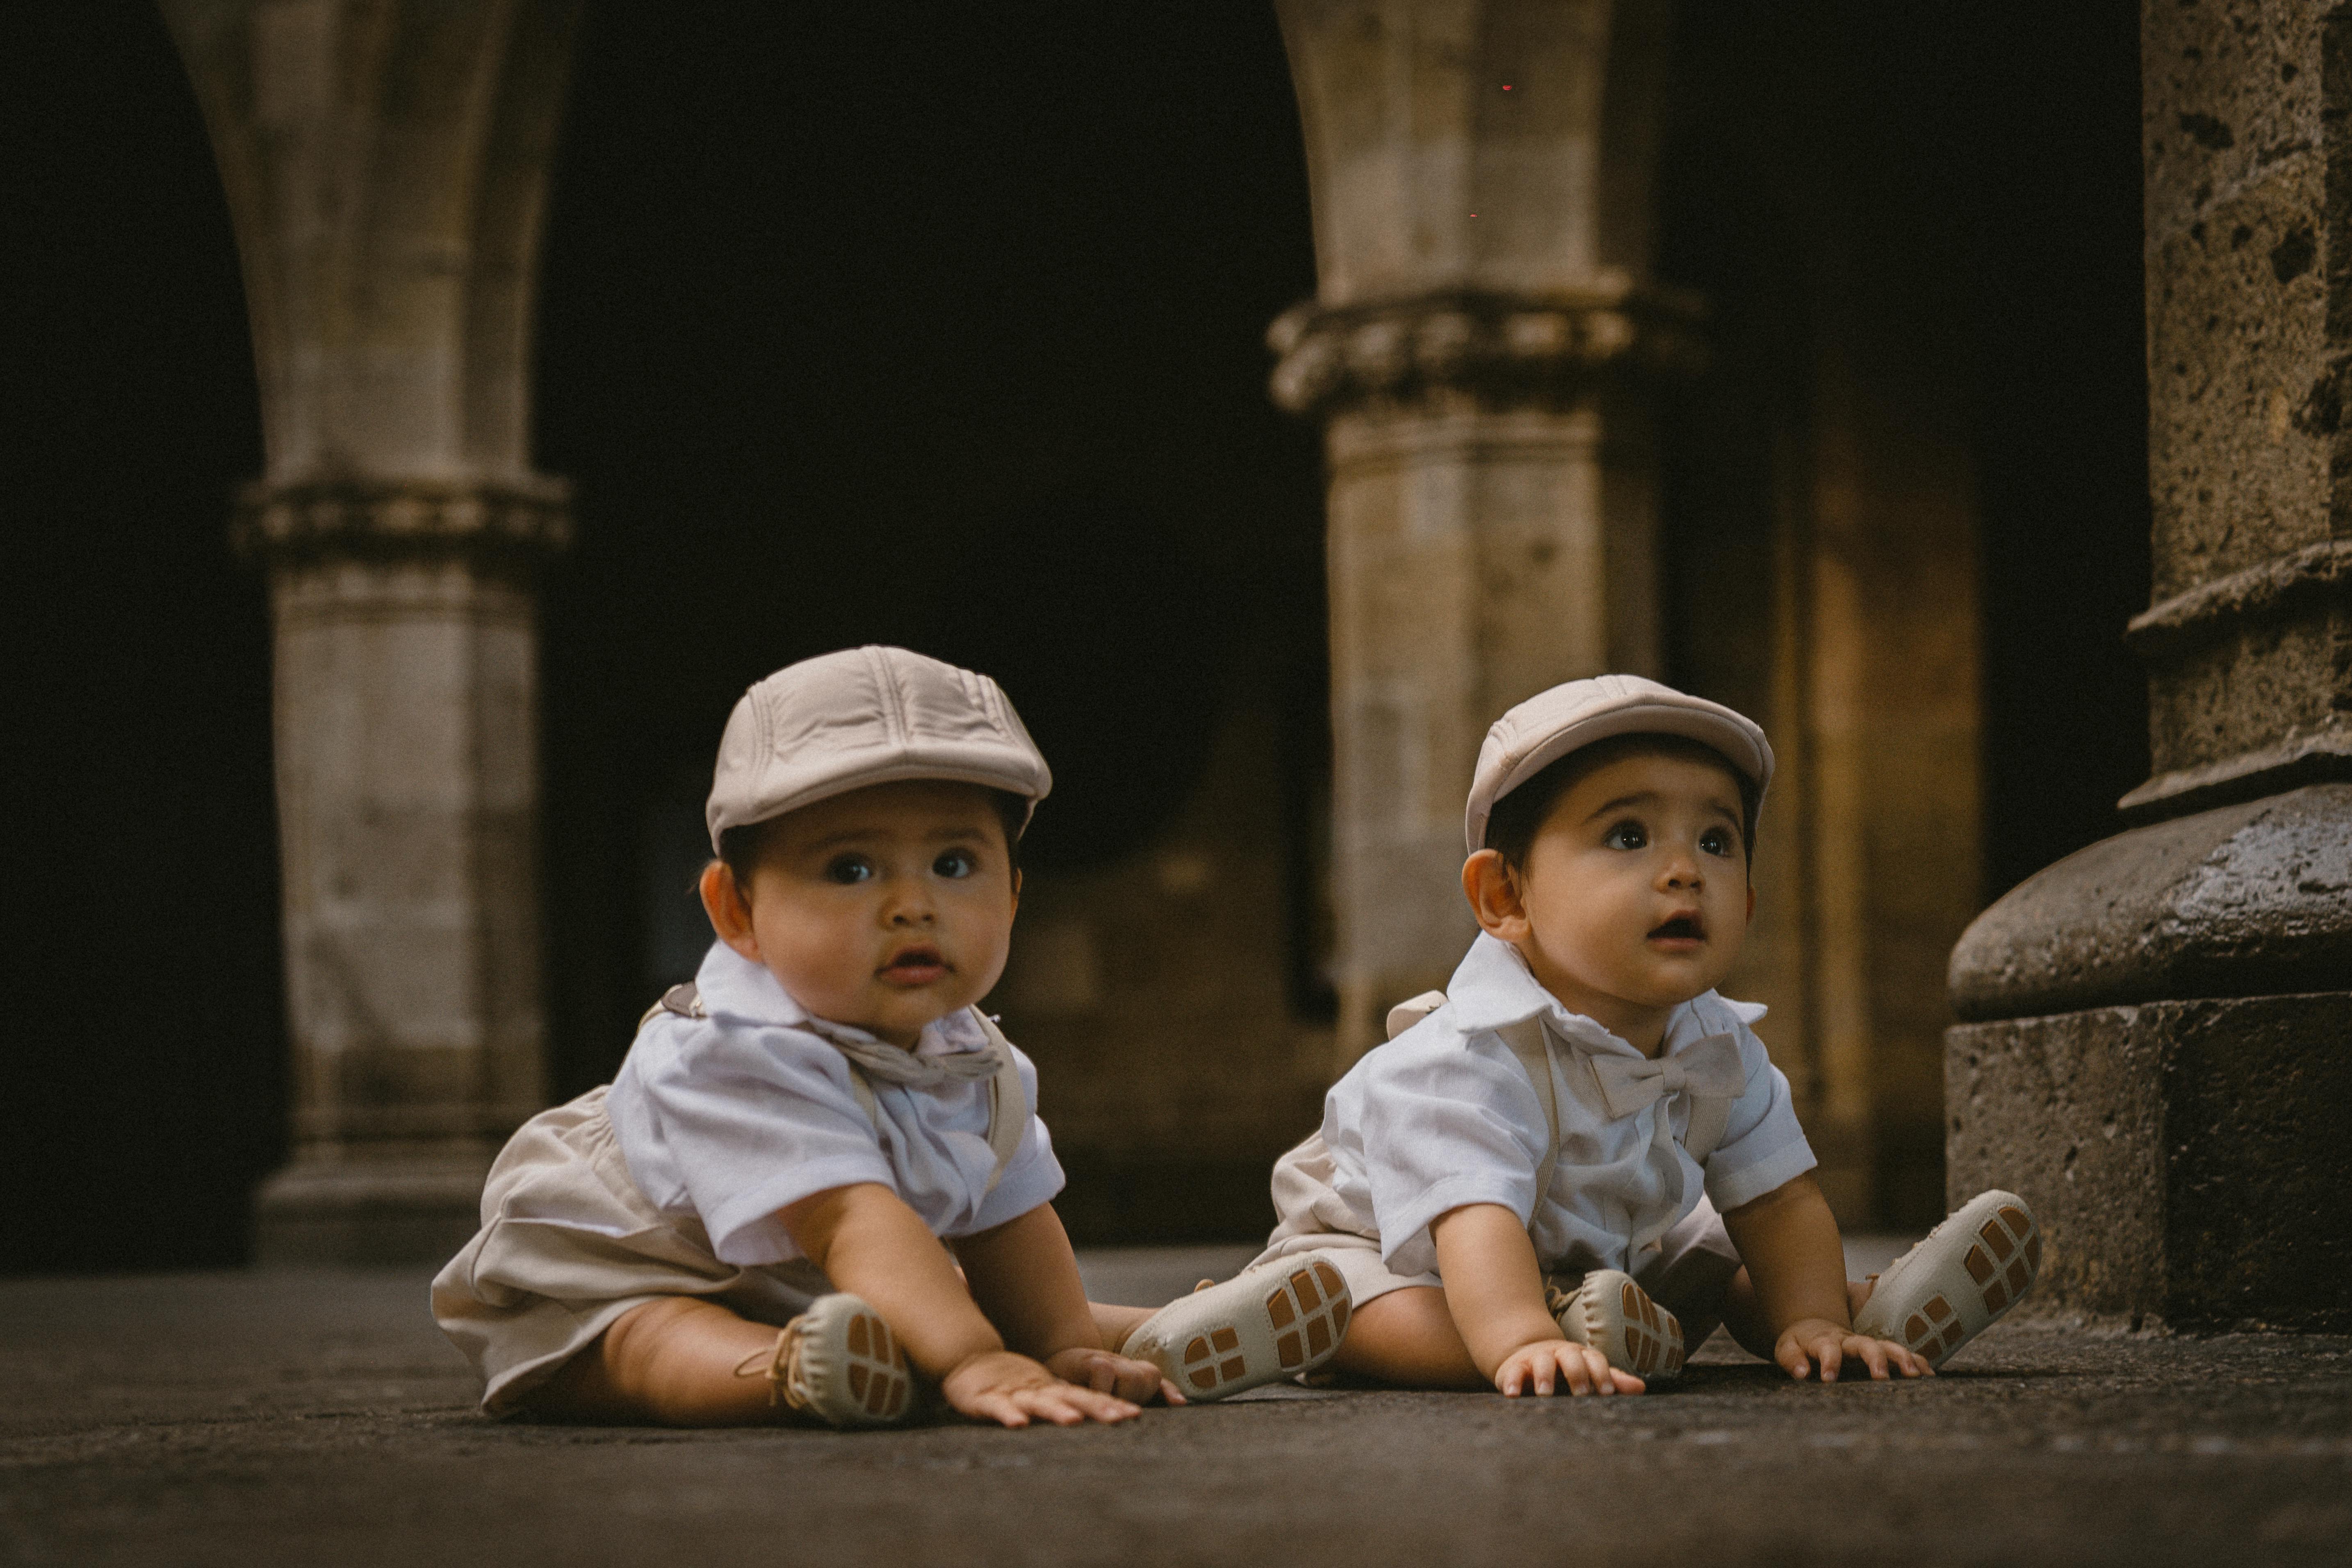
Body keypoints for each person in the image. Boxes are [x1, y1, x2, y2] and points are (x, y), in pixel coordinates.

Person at [1108, 674, 2039, 1401]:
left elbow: (1780, 1201)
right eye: (1628, 835)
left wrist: (1807, 1310)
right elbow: (1476, 1225)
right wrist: (1522, 1340)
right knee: (1375, 1309)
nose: (1684, 872)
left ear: (1749, 900)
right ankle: (1295, 1328)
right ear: (1505, 899)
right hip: (1405, 1256)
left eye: (1716, 842)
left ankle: (1846, 1320)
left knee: (1722, 1243)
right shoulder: (1467, 1055)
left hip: (1601, 1265)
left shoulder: (1721, 1045)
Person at [433, 646, 1177, 1429]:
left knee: (954, 1295)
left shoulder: (982, 1064)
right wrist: (974, 1359)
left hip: (825, 1281)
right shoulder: (735, 1050)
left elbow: (1010, 1220)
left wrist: (1054, 1345)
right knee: (652, 1343)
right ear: (737, 914)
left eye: (954, 863)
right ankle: (794, 1370)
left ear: (1016, 896)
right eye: (852, 869)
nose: (913, 905)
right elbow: (847, 1219)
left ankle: (1099, 1333)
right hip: (629, 1270)